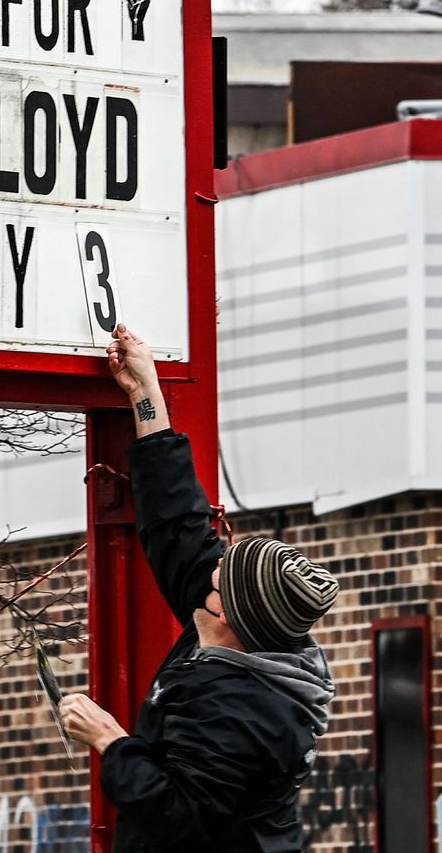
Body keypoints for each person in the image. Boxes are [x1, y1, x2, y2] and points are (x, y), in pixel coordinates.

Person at [59, 325, 338, 853]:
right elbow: (177, 522)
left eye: (219, 575)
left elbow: (179, 815)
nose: (208, 566)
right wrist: (146, 394)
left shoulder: (246, 710)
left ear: (226, 614)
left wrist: (109, 740)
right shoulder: (237, 628)